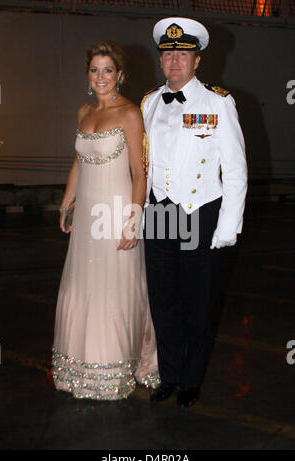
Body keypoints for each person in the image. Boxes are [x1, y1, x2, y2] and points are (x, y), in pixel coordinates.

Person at [141, 17, 247, 407]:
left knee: (197, 303)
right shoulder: (150, 102)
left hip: (200, 214)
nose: (174, 61)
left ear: (197, 60)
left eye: (182, 54)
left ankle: (190, 381)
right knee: (163, 301)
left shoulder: (218, 102)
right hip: (159, 215)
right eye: (168, 53)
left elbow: (235, 170)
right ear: (161, 59)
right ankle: (168, 375)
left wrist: (227, 228)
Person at [51, 40, 159, 400]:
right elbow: (79, 163)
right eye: (95, 69)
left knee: (115, 289)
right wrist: (67, 203)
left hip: (114, 214)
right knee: (84, 286)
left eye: (107, 70)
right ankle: (80, 365)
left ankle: (115, 367)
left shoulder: (130, 113)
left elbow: (140, 173)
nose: (101, 76)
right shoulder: (84, 112)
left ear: (120, 74)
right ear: (88, 74)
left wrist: (133, 219)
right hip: (86, 219)